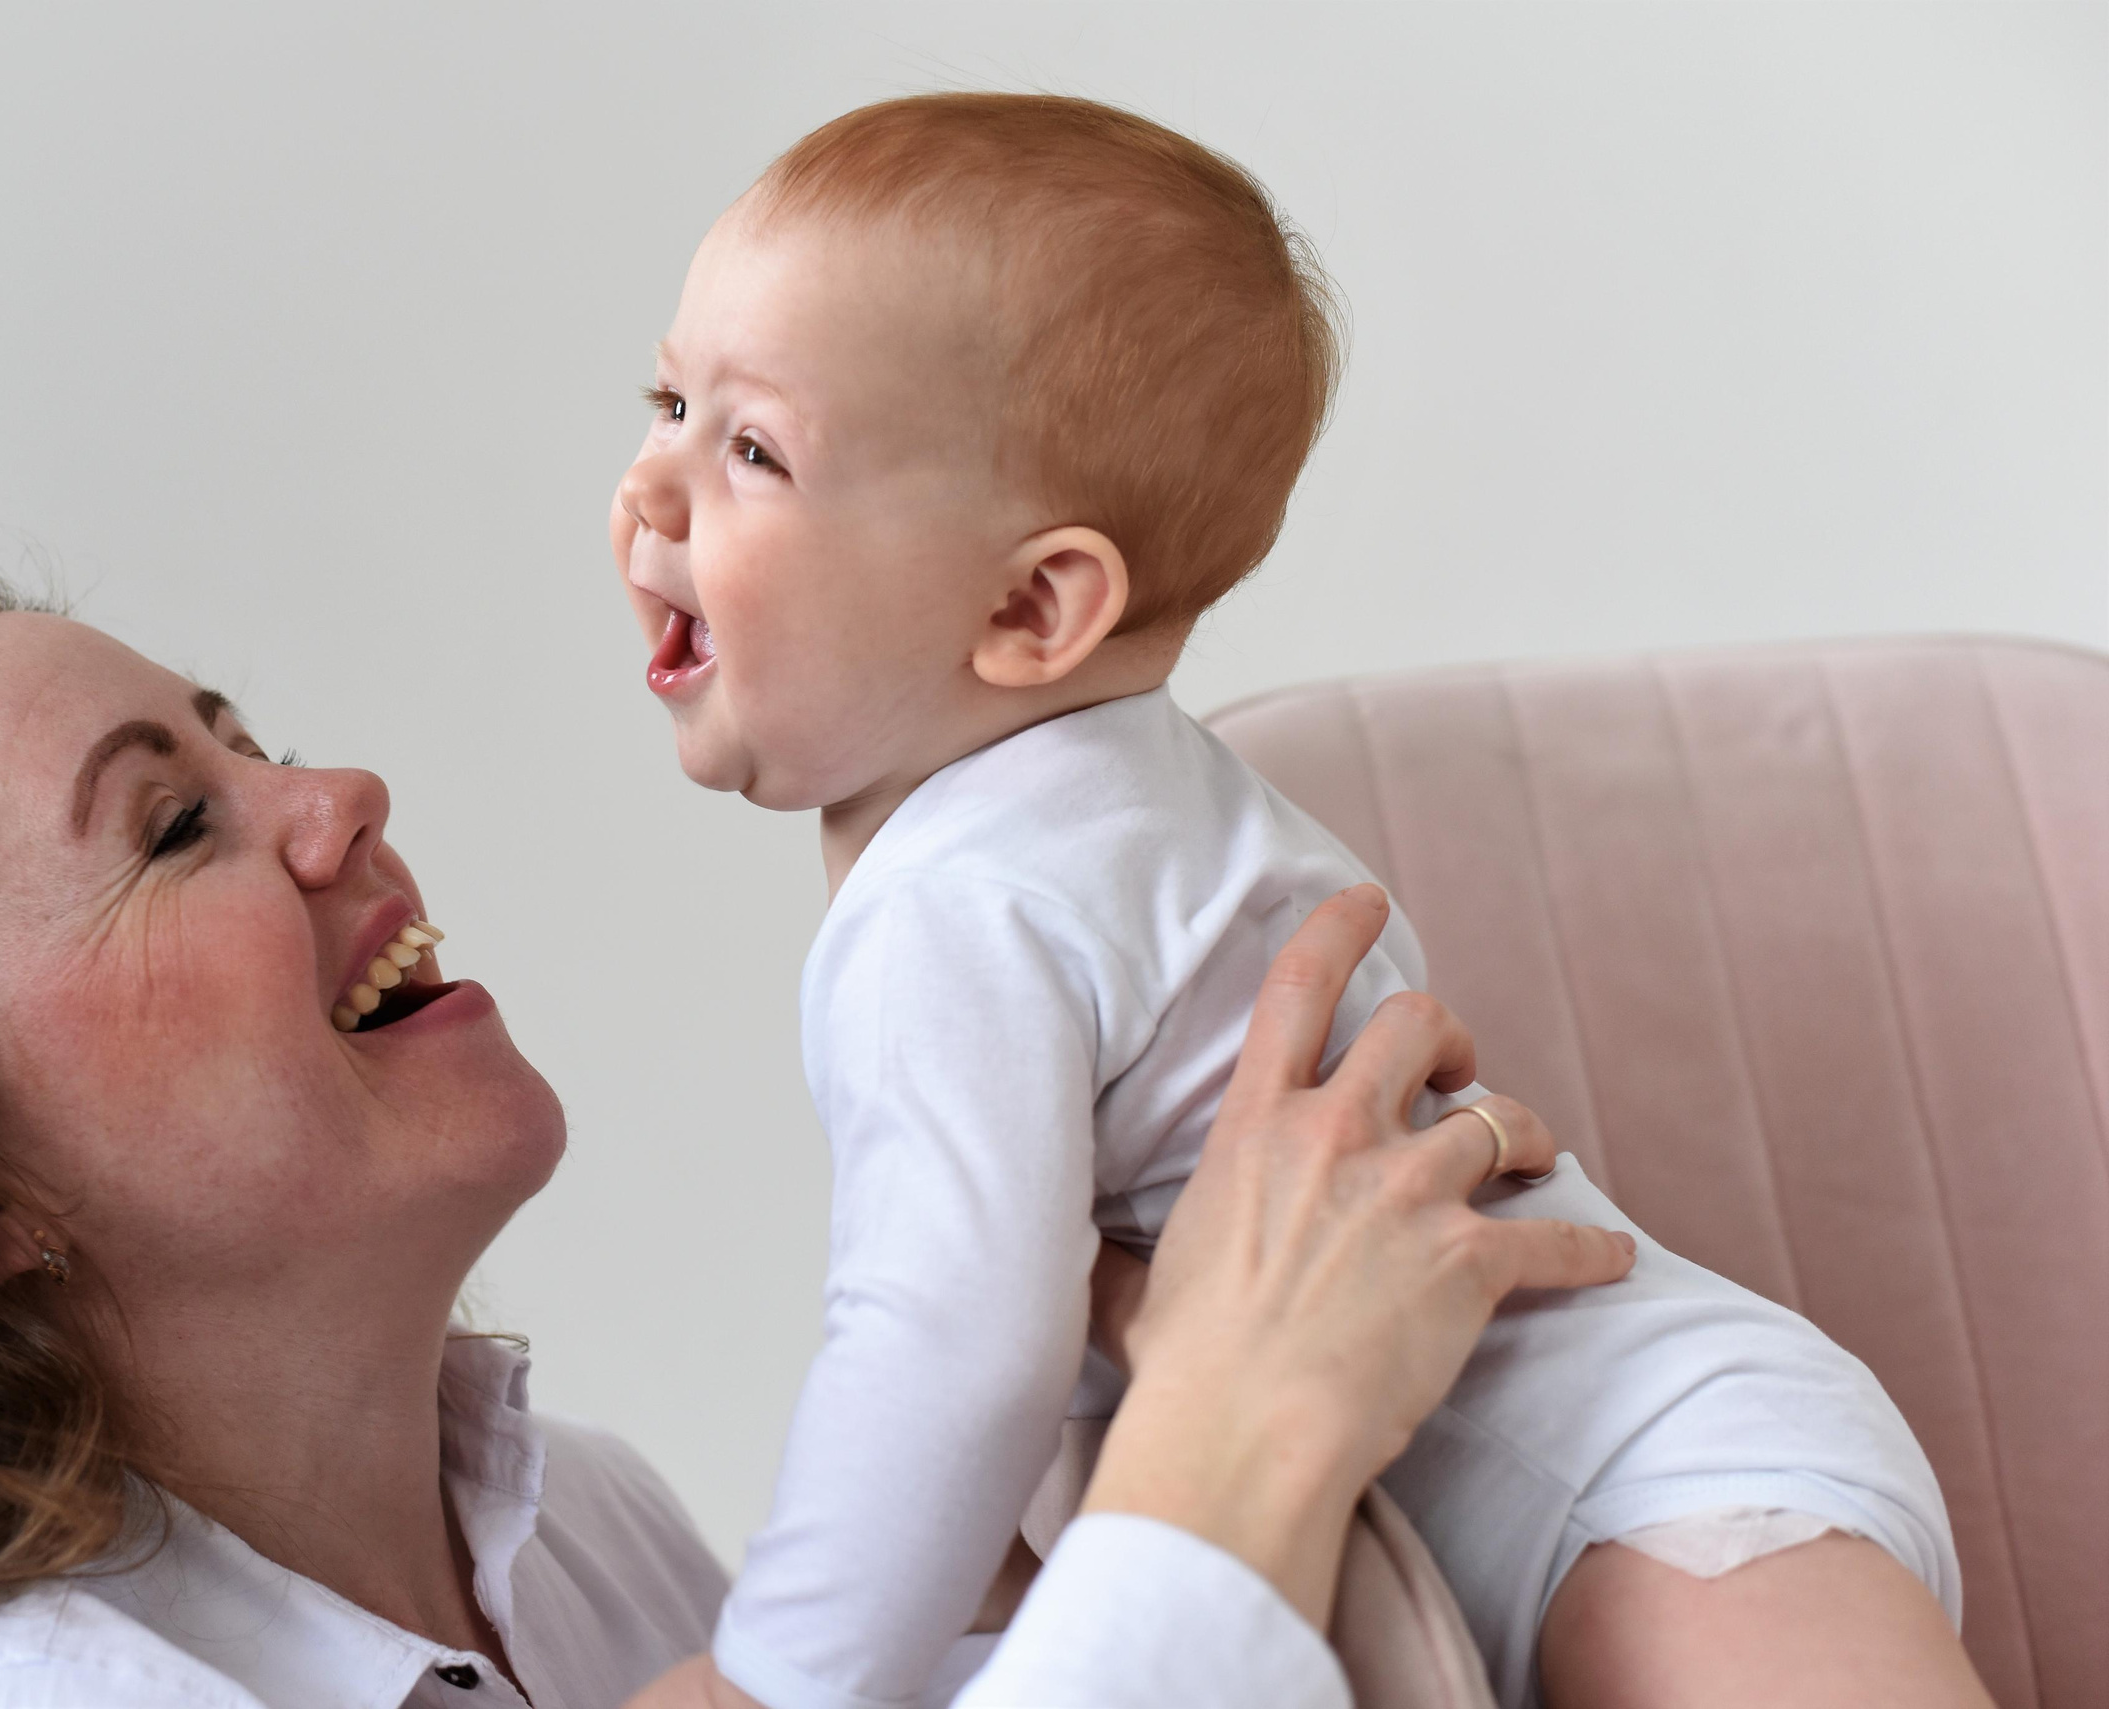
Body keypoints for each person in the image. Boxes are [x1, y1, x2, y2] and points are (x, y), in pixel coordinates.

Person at [0, 529, 1652, 1709]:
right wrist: (1231, 1439)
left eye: (242, 733)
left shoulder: (592, 1541)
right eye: (176, 819)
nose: (333, 795)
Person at [609, 93, 1977, 1709]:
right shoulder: (1130, 809)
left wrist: (774, 1679)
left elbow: (955, 1356)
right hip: (1620, 1487)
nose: (654, 485)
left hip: (1654, 1493)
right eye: (669, 399)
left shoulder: (958, 906)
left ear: (1034, 603)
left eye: (751, 447)